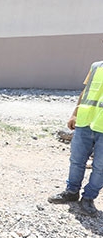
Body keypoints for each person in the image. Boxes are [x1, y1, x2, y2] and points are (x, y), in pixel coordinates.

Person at [47, 62, 103, 216]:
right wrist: (75, 113)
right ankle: (71, 192)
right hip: (85, 121)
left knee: (100, 167)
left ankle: (89, 198)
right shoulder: (96, 66)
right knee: (76, 160)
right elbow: (85, 92)